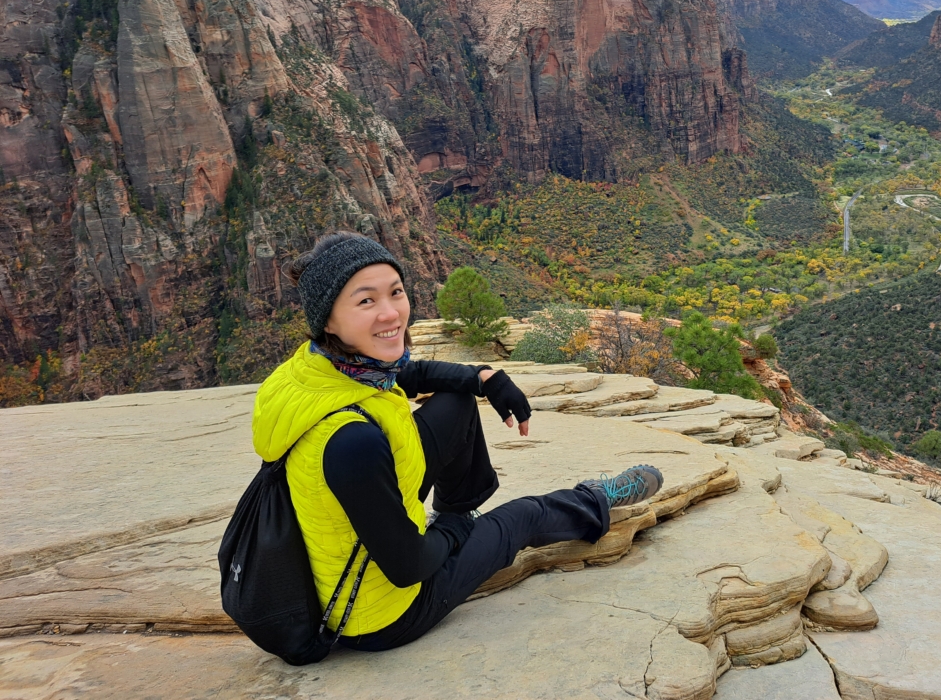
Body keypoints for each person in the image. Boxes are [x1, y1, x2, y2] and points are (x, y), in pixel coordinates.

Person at [251, 231, 663, 651]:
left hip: (357, 525)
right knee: (523, 516)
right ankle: (595, 499)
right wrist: (453, 529)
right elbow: (408, 567)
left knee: (456, 400)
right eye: (366, 301)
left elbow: (411, 374)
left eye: (396, 292)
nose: (391, 313)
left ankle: (458, 506)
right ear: (328, 320)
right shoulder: (350, 441)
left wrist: (484, 378)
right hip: (384, 613)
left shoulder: (316, 369)